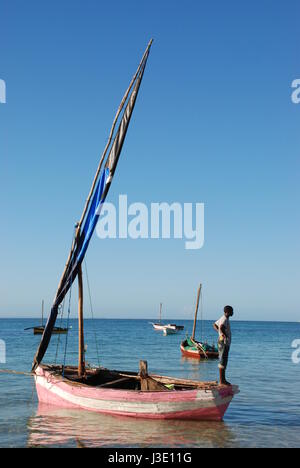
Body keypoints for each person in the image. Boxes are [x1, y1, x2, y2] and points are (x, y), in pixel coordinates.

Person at [213, 305, 234, 386]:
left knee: (224, 361)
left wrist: (219, 333)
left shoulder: (223, 318)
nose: (233, 313)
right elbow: (221, 327)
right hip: (223, 342)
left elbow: (215, 325)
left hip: (223, 341)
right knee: (223, 360)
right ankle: (222, 381)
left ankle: (223, 380)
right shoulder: (224, 319)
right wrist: (224, 335)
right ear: (227, 312)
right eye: (231, 311)